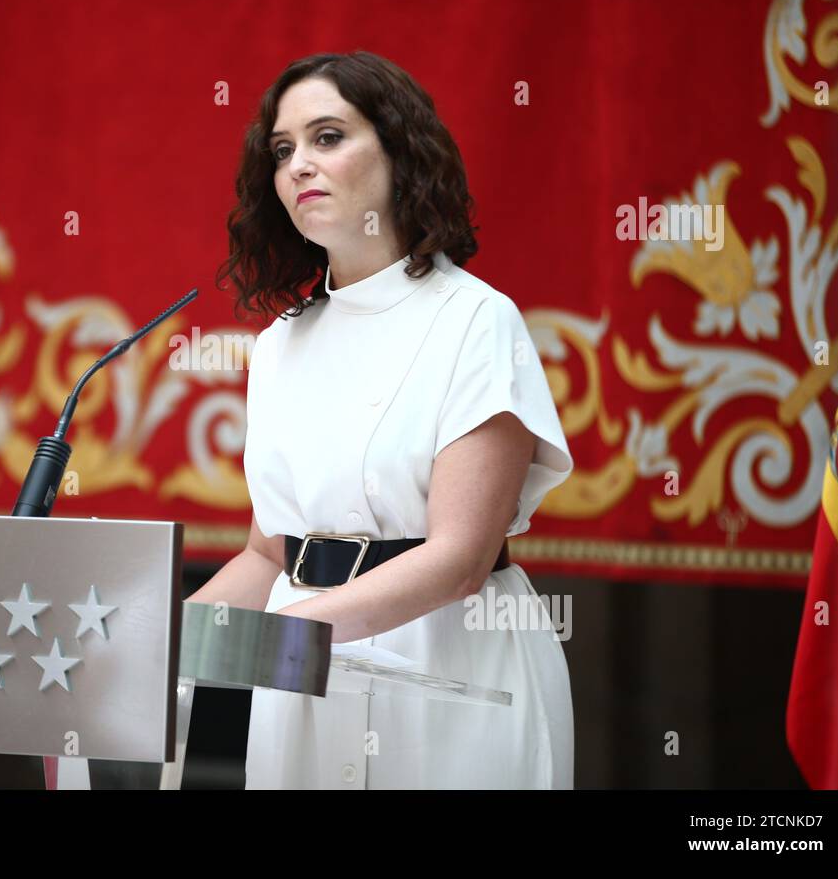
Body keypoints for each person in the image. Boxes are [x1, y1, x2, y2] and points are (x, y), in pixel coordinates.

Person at [188, 51, 575, 789]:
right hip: (300, 681)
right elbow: (271, 556)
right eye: (282, 149)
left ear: (399, 151)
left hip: (451, 671)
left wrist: (274, 639)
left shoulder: (477, 321)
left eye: (327, 137)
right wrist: (152, 643)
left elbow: (461, 560)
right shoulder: (277, 346)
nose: (299, 163)